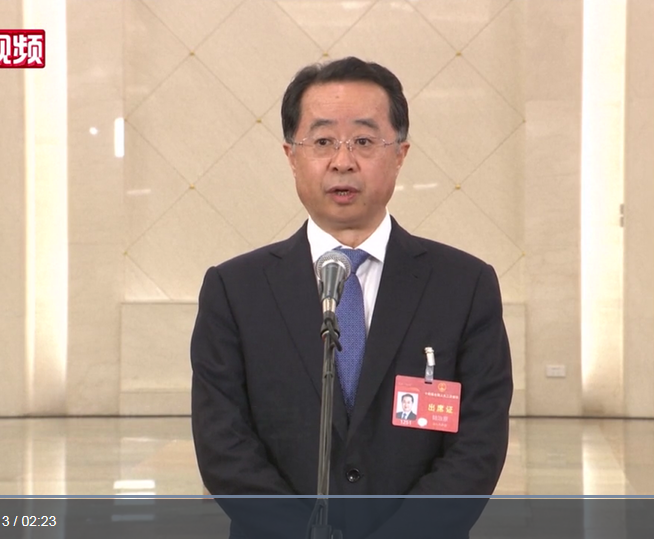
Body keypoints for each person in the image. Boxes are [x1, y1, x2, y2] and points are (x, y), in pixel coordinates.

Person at [191, 56, 512, 539]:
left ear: (400, 154)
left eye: (364, 141)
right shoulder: (235, 290)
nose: (342, 161)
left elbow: (478, 446)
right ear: (291, 156)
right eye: (322, 142)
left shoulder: (464, 286)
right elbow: (223, 446)